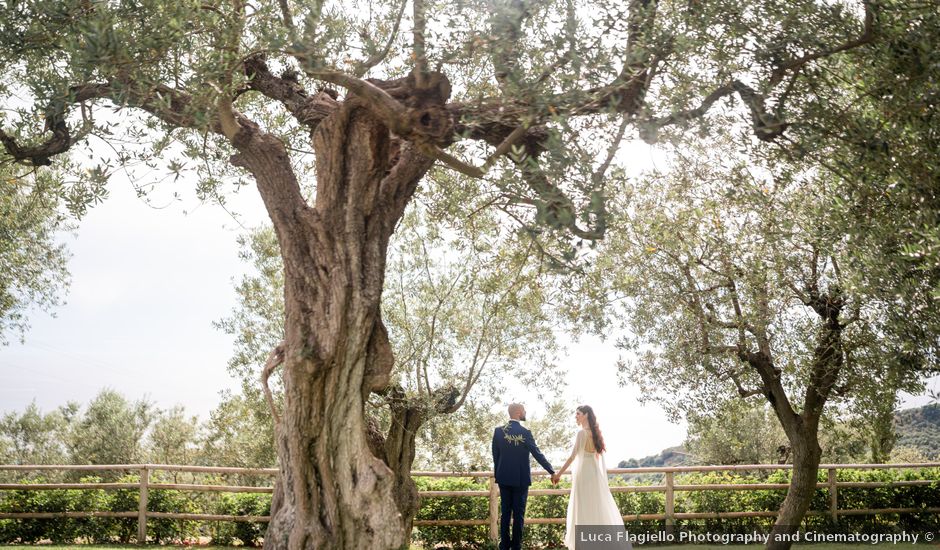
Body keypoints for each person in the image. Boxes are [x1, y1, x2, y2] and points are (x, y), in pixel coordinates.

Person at [551, 405, 632, 550]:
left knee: (583, 507)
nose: (576, 416)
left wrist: (558, 474)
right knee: (596, 506)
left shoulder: (581, 434)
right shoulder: (595, 434)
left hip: (583, 474)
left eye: (578, 414)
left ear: (586, 415)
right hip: (594, 474)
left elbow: (572, 457)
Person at [492, 402, 556, 550]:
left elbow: (496, 456)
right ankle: (516, 547)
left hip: (503, 478)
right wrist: (551, 471)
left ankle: (504, 546)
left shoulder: (498, 432)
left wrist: (499, 475)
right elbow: (537, 454)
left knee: (505, 513)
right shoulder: (525, 433)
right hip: (520, 480)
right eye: (524, 410)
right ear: (519, 412)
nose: (526, 412)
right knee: (518, 515)